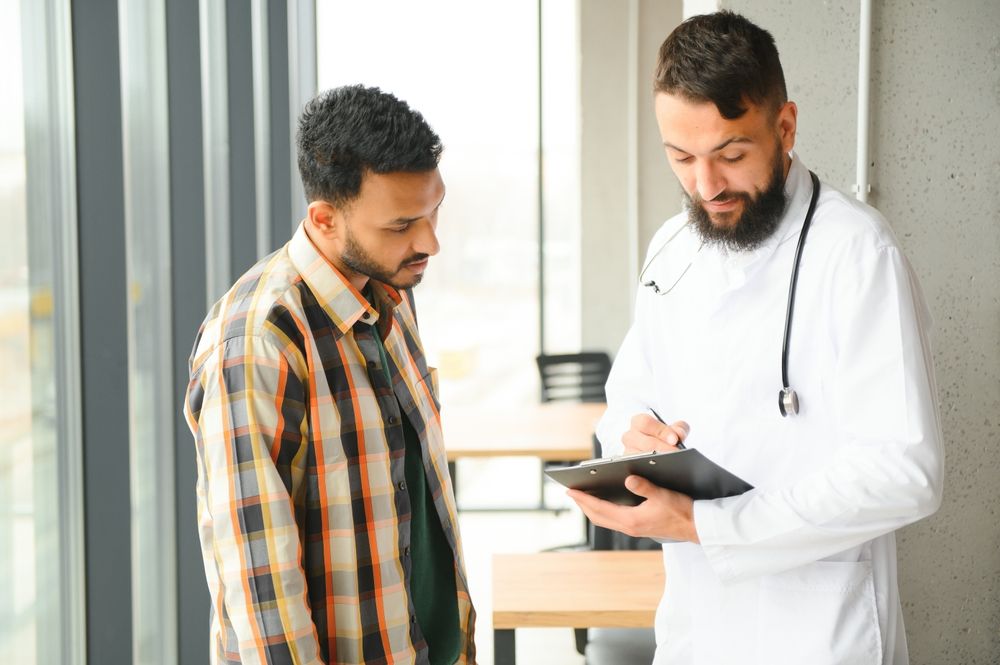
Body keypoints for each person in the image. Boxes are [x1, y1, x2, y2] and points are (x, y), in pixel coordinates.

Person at [568, 11, 943, 665]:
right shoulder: (672, 248)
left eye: (731, 155)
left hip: (823, 632)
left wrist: (708, 525)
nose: (705, 185)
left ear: (785, 126)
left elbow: (906, 469)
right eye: (681, 158)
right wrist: (634, 440)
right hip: (696, 627)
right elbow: (627, 402)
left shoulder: (857, 252)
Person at [184, 85, 475, 664]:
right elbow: (262, 588)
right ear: (324, 218)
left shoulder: (390, 293)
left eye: (434, 210)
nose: (430, 242)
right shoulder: (257, 341)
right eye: (401, 225)